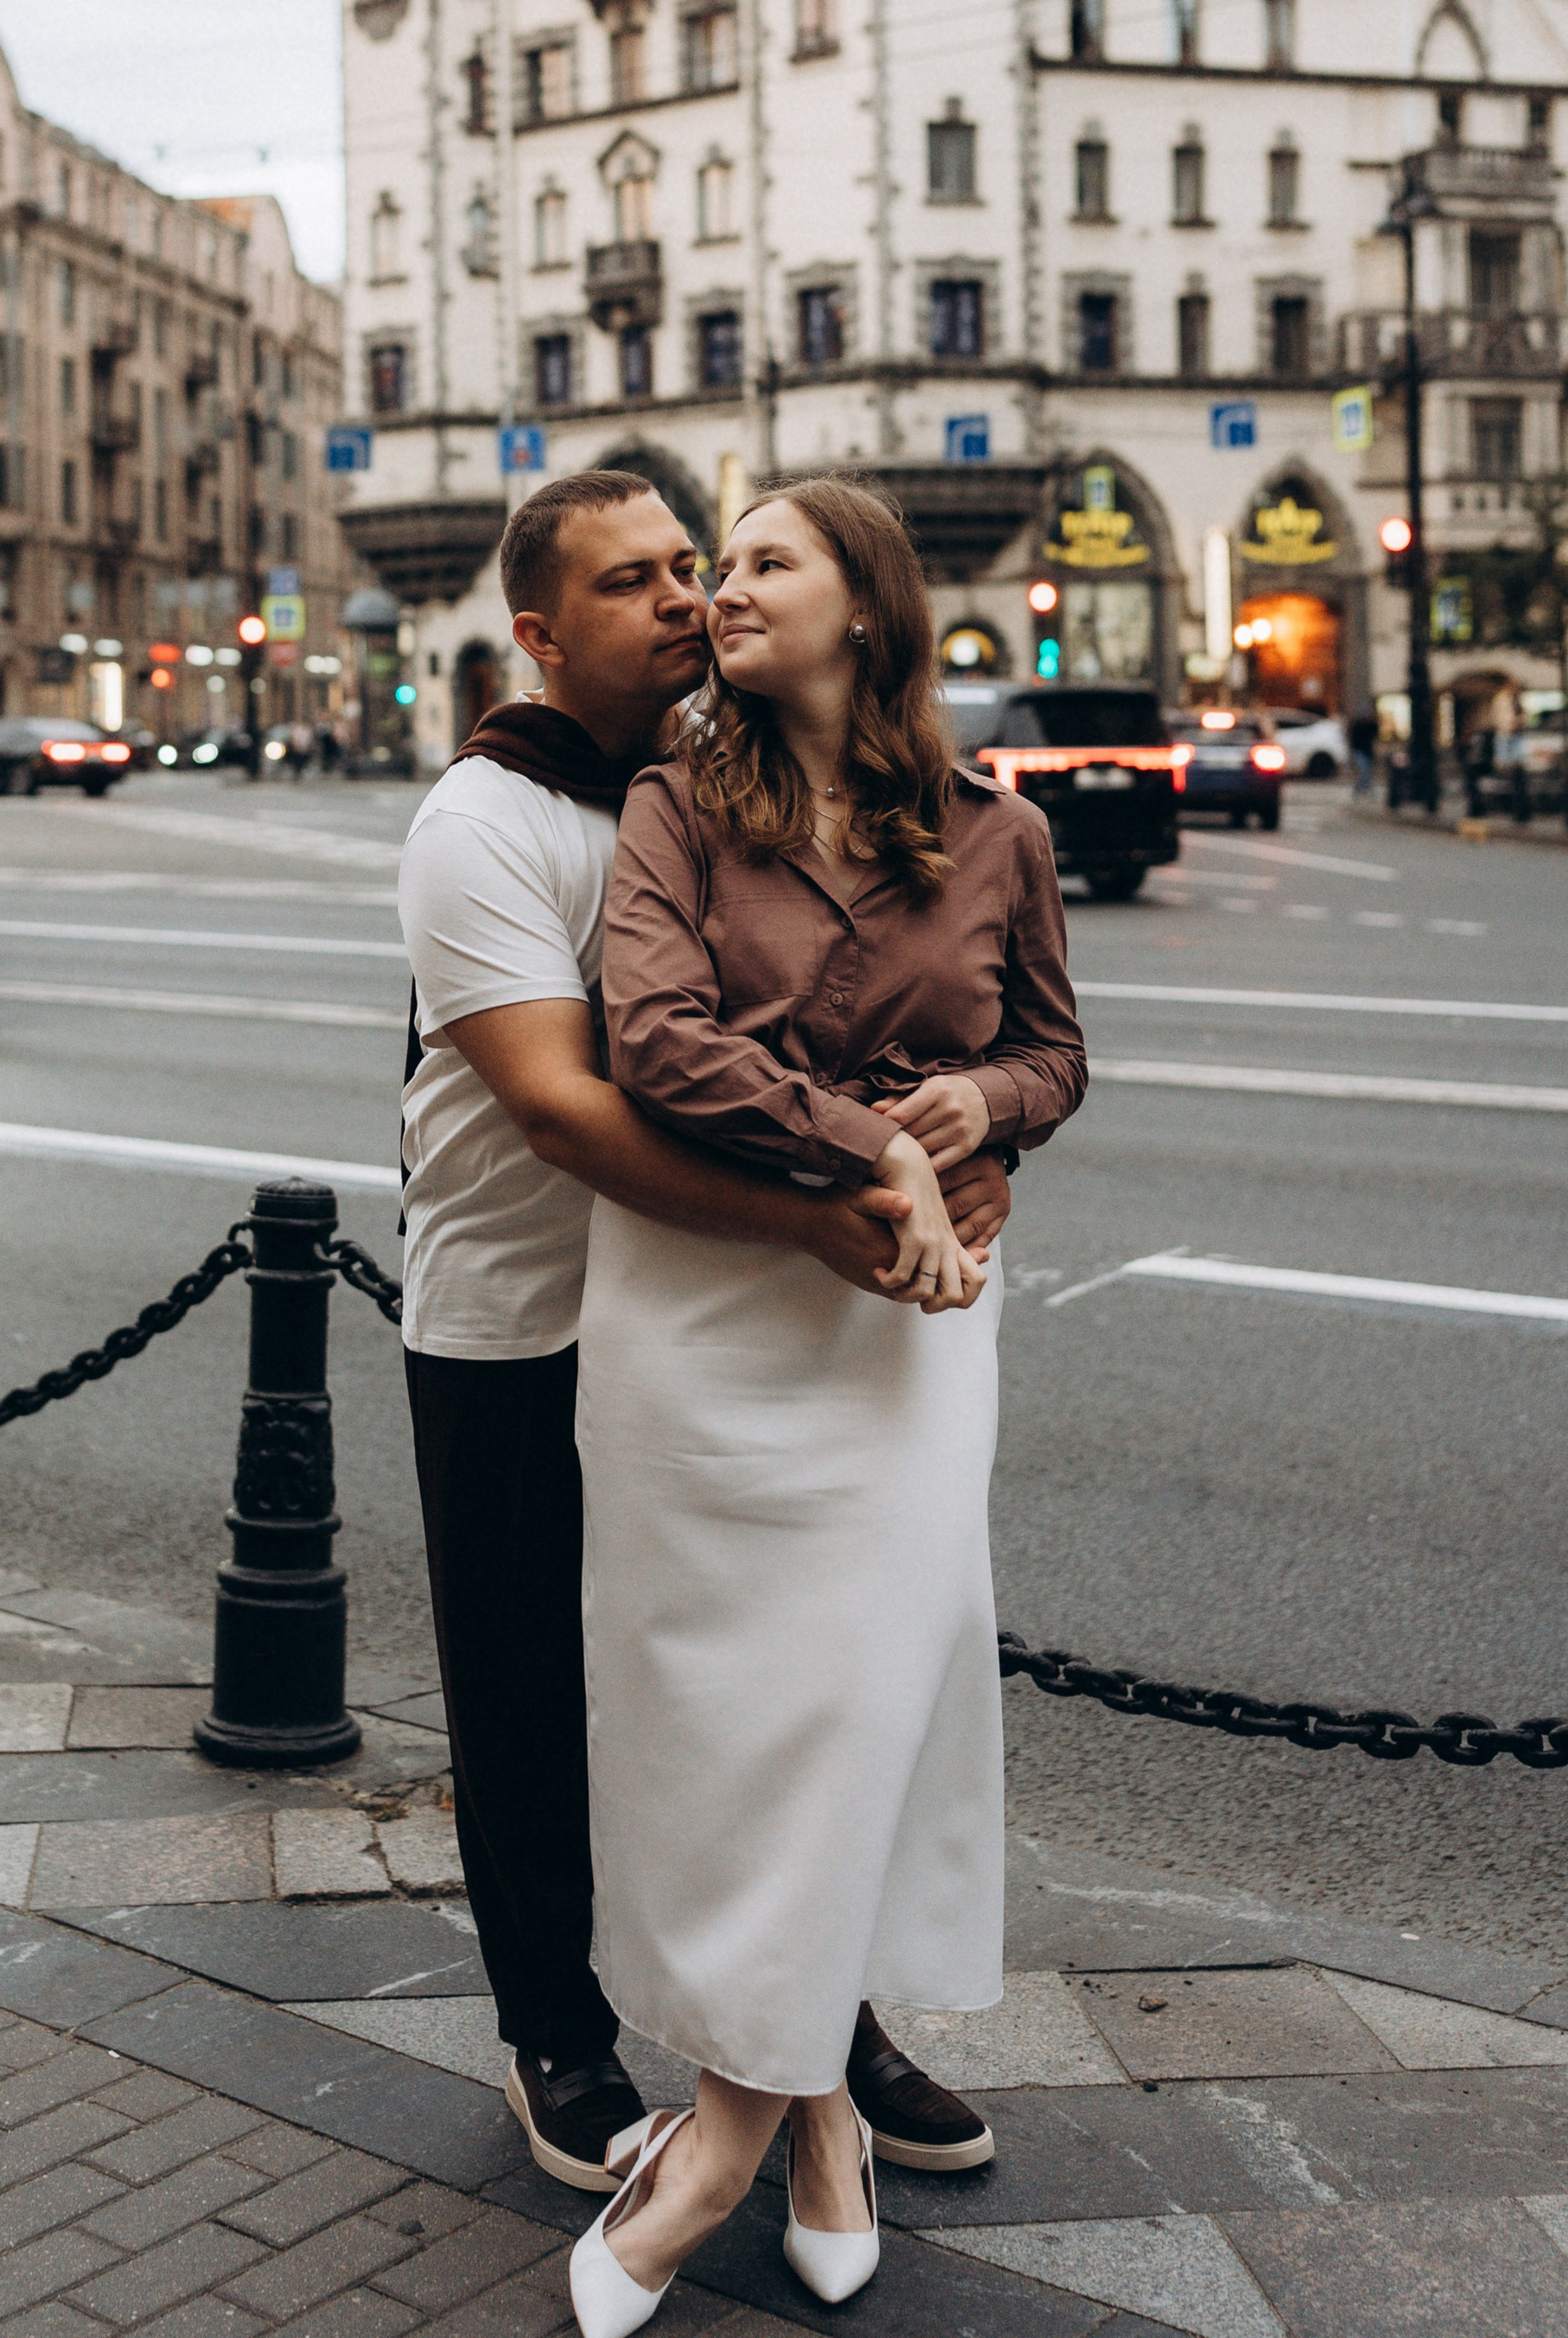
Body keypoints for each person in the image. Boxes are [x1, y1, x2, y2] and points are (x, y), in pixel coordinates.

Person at [396, 471, 1014, 2202]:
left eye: (693, 565)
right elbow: (563, 1115)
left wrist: (969, 1154)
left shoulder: (721, 782)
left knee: (777, 1688)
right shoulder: (483, 821)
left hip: (708, 1314)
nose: (681, 599)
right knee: (531, 1697)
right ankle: (557, 2036)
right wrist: (829, 1213)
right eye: (631, 582)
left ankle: (813, 2024)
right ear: (535, 630)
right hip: (521, 1315)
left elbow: (906, 1011)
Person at [565, 478, 1087, 2328]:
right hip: (709, 1313)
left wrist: (990, 1110)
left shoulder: (993, 832)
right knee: (717, 1721)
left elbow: (1050, 1045)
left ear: (863, 606)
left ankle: (735, 2129)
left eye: (760, 562)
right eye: (714, 566)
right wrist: (878, 1133)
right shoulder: (671, 808)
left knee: (870, 1700)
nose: (717, 591)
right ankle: (801, 2130)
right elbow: (655, 1040)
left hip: (911, 1329)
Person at [1347, 703, 1378, 795]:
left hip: (1367, 750)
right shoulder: (1357, 725)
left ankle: (1361, 787)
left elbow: (1375, 734)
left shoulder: (1370, 724)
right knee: (1364, 769)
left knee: (1367, 770)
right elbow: (1353, 738)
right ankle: (1365, 787)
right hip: (1359, 750)